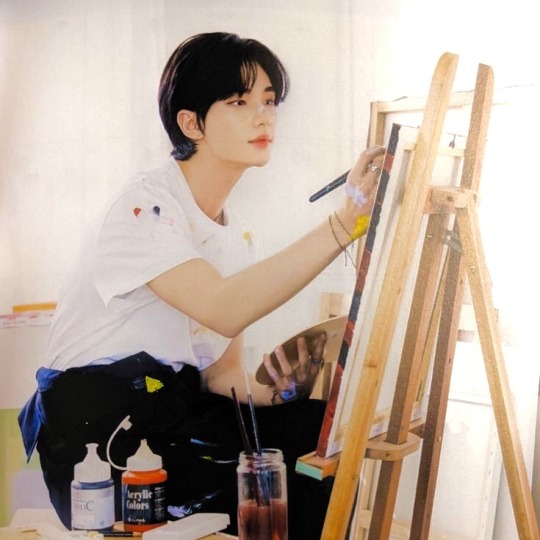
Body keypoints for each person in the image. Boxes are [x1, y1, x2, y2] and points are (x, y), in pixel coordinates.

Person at [18, 32, 384, 538]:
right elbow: (221, 307)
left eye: (269, 102)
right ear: (191, 123)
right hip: (97, 434)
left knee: (314, 431)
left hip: (174, 414)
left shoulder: (237, 235)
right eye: (239, 102)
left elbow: (221, 377)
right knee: (271, 495)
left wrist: (282, 391)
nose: (263, 117)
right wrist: (344, 224)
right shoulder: (144, 207)